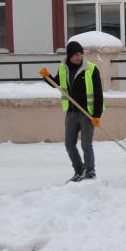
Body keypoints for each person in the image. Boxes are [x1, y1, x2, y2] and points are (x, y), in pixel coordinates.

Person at [39, 40, 103, 182]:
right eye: (75, 55)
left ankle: (90, 171)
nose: (78, 57)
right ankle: (79, 171)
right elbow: (56, 84)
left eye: (80, 54)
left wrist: (97, 115)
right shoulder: (63, 68)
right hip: (71, 112)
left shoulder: (91, 69)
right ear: (69, 56)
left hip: (88, 114)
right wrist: (46, 76)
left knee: (86, 144)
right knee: (69, 144)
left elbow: (98, 94)